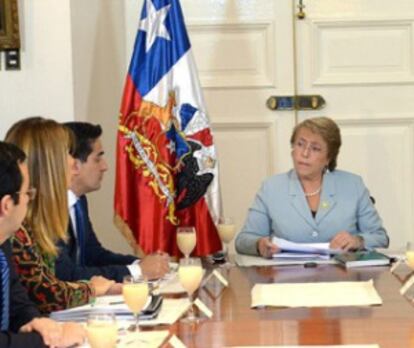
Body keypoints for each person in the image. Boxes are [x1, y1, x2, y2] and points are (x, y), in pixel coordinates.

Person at [5, 117, 118, 314]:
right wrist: (91, 289)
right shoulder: (16, 226)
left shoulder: (40, 218)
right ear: (49, 167)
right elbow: (45, 293)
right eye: (68, 153)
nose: (75, 165)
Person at [235, 117, 389, 258]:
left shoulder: (353, 185)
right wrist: (259, 245)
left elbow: (380, 237)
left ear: (329, 157)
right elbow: (243, 240)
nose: (305, 153)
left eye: (315, 148)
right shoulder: (271, 187)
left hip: (342, 278)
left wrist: (357, 241)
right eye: (300, 144)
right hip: (287, 279)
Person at [55, 122, 169, 283]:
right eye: (97, 159)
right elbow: (65, 274)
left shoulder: (79, 201)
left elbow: (93, 254)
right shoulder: (48, 208)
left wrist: (140, 264)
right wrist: (137, 271)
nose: (105, 166)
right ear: (75, 164)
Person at [0, 141, 85, 348]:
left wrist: (37, 322)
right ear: (6, 205)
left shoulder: (4, 242)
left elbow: (17, 301)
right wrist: (43, 341)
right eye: (27, 193)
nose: (29, 200)